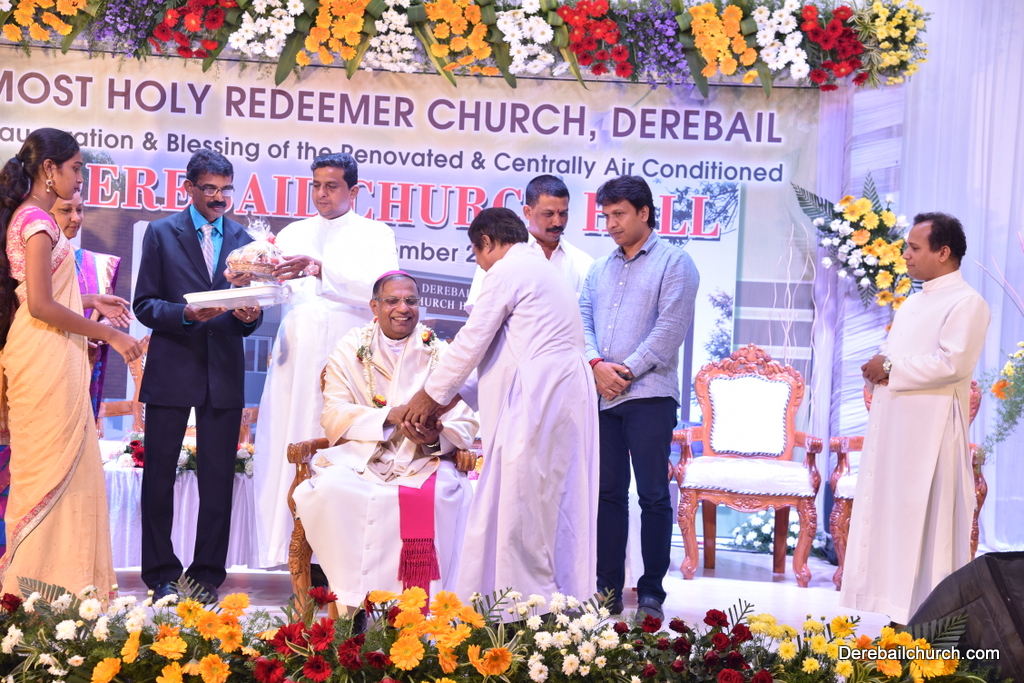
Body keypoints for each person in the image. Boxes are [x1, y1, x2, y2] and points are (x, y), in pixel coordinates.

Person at [401, 207, 599, 604]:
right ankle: (559, 602)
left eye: (477, 254)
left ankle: (518, 607)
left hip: (539, 396)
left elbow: (472, 341)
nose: (479, 264)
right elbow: (502, 353)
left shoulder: (507, 270)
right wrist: (446, 402)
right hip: (562, 395)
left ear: (487, 242)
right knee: (552, 502)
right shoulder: (541, 270)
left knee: (521, 500)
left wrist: (427, 397)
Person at [0, 128, 143, 594]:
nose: (80, 179)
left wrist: (89, 299)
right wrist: (110, 334)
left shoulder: (32, 218)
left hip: (52, 351)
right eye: (76, 168)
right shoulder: (37, 222)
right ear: (49, 169)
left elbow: (39, 296)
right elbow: (41, 306)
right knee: (48, 474)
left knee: (71, 470)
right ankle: (35, 592)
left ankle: (68, 592)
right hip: (43, 355)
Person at [292, 272, 478, 610]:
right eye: (392, 301)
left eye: (411, 301)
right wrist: (391, 416)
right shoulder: (351, 348)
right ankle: (349, 604)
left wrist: (435, 438)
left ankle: (420, 611)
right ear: (374, 306)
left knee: (446, 496)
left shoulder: (441, 353)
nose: (403, 308)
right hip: (360, 456)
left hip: (422, 459)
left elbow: (464, 420)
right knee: (330, 490)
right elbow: (334, 412)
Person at [840, 212, 989, 625]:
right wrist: (880, 367)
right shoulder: (915, 300)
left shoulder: (967, 302)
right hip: (898, 431)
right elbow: (901, 356)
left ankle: (926, 622)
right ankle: (896, 615)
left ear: (943, 252)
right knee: (896, 524)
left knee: (927, 528)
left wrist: (889, 367)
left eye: (914, 247)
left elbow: (953, 363)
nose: (905, 255)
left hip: (931, 435)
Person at [254, 152, 398, 570]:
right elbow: (277, 292)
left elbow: (385, 291)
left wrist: (321, 270)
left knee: (343, 443)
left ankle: (344, 559)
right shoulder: (293, 233)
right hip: (295, 358)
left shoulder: (376, 234)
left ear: (354, 191)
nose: (321, 194)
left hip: (349, 357)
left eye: (331, 186)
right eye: (316, 185)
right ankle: (288, 551)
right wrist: (252, 281)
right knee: (291, 436)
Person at [133, 149, 263, 602]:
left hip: (223, 373)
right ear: (188, 188)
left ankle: (207, 574)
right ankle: (161, 574)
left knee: (218, 480)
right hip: (172, 369)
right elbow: (145, 304)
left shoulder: (246, 241)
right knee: (158, 478)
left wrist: (250, 316)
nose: (219, 198)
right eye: (209, 189)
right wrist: (186, 314)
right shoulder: (161, 233)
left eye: (226, 189)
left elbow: (252, 312)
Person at [580, 175, 700, 620]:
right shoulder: (599, 268)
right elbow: (582, 321)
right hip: (602, 395)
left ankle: (651, 592)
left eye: (619, 214)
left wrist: (624, 371)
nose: (610, 224)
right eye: (606, 216)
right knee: (608, 494)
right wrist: (596, 364)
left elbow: (670, 329)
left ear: (644, 213)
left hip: (649, 395)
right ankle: (607, 589)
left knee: (652, 495)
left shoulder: (675, 263)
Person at [51, 190, 131, 413]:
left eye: (80, 210)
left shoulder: (92, 263)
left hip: (81, 369)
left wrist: (101, 326)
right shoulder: (25, 260)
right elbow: (34, 308)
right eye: (66, 210)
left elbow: (95, 318)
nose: (76, 218)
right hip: (39, 363)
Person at [465, 174, 593, 311]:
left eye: (563, 214)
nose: (558, 222)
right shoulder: (499, 254)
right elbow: (479, 311)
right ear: (527, 212)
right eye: (548, 214)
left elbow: (587, 317)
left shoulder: (583, 264)